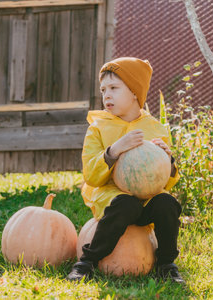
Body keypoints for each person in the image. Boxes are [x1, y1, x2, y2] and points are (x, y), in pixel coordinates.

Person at [66, 57, 184, 284]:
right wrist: (113, 151)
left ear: (134, 92)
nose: (106, 94)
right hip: (113, 196)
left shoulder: (155, 128)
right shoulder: (98, 129)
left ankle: (166, 263)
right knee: (124, 204)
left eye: (113, 88)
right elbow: (91, 175)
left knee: (167, 203)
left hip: (148, 198)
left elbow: (167, 182)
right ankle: (87, 262)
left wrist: (167, 161)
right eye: (103, 89)